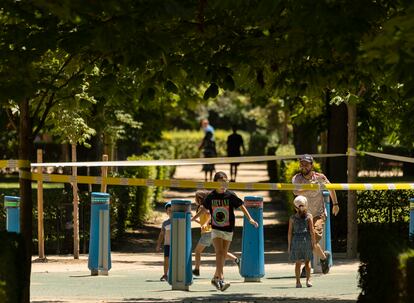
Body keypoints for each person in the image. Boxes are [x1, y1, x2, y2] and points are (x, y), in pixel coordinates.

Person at [192, 171, 259, 291]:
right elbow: (204, 209)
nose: (224, 184)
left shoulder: (230, 195)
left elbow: (241, 206)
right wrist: (193, 218)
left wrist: (250, 219)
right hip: (216, 228)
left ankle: (215, 278)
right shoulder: (211, 196)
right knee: (219, 252)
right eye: (221, 181)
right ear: (215, 183)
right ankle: (221, 279)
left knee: (223, 254)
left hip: (228, 229)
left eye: (225, 181)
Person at [292, 154, 339, 275]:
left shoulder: (320, 177)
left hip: (319, 214)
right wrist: (310, 188)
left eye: (306, 164)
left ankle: (305, 267)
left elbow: (331, 188)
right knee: (305, 241)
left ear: (311, 165)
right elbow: (295, 191)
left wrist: (335, 204)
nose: (303, 166)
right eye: (302, 164)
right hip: (305, 216)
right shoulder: (297, 178)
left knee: (311, 241)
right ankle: (324, 258)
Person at [191, 190, 240, 277]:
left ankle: (197, 269)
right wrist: (197, 220)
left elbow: (210, 214)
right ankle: (236, 260)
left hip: (208, 232)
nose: (195, 200)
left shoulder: (203, 207)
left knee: (197, 251)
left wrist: (205, 223)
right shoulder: (203, 207)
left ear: (199, 199)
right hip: (209, 231)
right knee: (220, 252)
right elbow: (203, 221)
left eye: (196, 198)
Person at [288, 195, 316, 288]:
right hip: (306, 239)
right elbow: (312, 231)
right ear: (306, 205)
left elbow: (289, 233)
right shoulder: (309, 216)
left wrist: (289, 245)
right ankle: (308, 280)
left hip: (296, 240)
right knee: (308, 262)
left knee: (298, 263)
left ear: (295, 207)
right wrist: (314, 243)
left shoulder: (292, 218)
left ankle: (298, 282)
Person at [156, 202, 172, 281]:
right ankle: (165, 274)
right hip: (167, 244)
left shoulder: (179, 221)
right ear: (167, 212)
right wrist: (158, 245)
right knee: (166, 259)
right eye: (169, 210)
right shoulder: (165, 223)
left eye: (172, 210)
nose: (170, 212)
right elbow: (161, 234)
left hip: (177, 245)